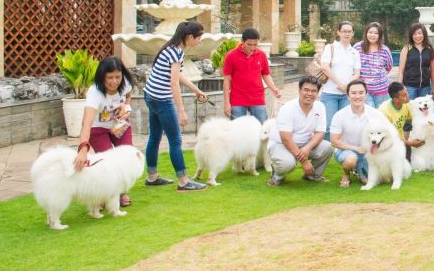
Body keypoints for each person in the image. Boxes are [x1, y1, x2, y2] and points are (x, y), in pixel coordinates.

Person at [143, 21, 208, 191]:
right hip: (161, 99)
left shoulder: (170, 48)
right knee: (175, 141)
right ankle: (184, 181)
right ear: (189, 37)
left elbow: (177, 75)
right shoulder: (177, 52)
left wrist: (196, 90)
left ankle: (152, 177)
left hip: (150, 95)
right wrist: (181, 111)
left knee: (154, 138)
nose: (199, 40)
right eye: (198, 37)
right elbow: (174, 83)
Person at [73, 56, 137, 207]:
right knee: (108, 163)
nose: (114, 81)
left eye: (117, 77)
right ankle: (104, 196)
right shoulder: (94, 92)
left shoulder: (125, 82)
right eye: (110, 77)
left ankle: (121, 193)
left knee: (126, 158)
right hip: (98, 129)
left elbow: (128, 96)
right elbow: (87, 122)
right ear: (102, 76)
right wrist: (83, 149)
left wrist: (126, 109)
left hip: (120, 125)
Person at [266, 76, 334, 186]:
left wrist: (307, 148)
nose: (309, 94)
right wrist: (304, 162)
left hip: (304, 144)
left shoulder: (320, 106)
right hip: (281, 145)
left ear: (318, 93)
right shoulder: (288, 108)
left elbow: (320, 133)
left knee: (327, 147)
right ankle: (277, 177)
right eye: (306, 90)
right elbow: (286, 139)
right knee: (287, 163)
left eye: (313, 91)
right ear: (299, 91)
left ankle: (312, 176)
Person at [329, 80, 386, 188]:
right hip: (346, 150)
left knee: (372, 181)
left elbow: (385, 134)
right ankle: (346, 173)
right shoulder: (340, 115)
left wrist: (375, 148)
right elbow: (334, 141)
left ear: (366, 94)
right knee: (351, 160)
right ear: (348, 96)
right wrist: (357, 148)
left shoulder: (376, 114)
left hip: (368, 151)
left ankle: (359, 171)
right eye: (354, 93)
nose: (357, 96)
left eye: (361, 93)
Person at [222, 28, 281, 122]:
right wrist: (226, 103)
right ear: (242, 41)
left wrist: (274, 89)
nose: (252, 48)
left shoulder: (262, 55)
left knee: (262, 127)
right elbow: (227, 79)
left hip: (257, 99)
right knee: (237, 129)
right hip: (237, 99)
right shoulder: (231, 56)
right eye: (249, 44)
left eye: (255, 44)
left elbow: (266, 75)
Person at [319, 21, 361, 133]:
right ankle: (329, 145)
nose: (346, 34)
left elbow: (357, 73)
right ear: (338, 32)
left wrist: (347, 86)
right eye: (344, 31)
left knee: (345, 126)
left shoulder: (355, 52)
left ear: (353, 33)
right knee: (328, 126)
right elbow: (324, 67)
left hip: (347, 95)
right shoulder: (330, 47)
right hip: (330, 93)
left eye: (349, 31)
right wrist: (340, 84)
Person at [354, 22, 394, 108]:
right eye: (370, 32)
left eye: (376, 33)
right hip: (363, 90)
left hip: (382, 90)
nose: (372, 35)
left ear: (380, 35)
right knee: (368, 114)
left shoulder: (385, 50)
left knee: (381, 114)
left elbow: (389, 67)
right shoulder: (357, 47)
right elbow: (352, 66)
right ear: (366, 33)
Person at [399, 23, 434, 99]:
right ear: (411, 35)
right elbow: (401, 71)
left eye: (419, 33)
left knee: (425, 107)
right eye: (414, 34)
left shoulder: (429, 49)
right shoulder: (406, 48)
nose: (417, 36)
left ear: (424, 34)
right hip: (409, 87)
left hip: (425, 87)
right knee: (409, 106)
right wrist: (400, 88)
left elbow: (432, 71)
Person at [378, 81, 415, 149]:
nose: (408, 96)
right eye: (404, 95)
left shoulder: (407, 104)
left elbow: (414, 120)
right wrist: (409, 143)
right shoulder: (384, 111)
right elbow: (387, 135)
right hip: (386, 144)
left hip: (400, 141)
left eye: (407, 92)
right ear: (396, 100)